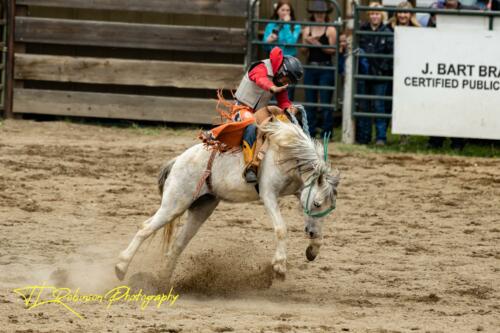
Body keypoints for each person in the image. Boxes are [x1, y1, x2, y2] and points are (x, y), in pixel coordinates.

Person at [201, 47, 303, 183]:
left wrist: (289, 109)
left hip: (258, 113)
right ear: (282, 70)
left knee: (283, 124)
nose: (286, 83)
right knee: (251, 125)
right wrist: (272, 87)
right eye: (287, 78)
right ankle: (250, 167)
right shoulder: (261, 67)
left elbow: (284, 101)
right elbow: (260, 79)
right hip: (240, 109)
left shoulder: (279, 80)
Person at [355, 2, 393, 146]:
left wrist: (381, 69)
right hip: (364, 75)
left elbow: (390, 55)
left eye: (377, 13)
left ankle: (380, 137)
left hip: (380, 75)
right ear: (369, 15)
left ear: (381, 15)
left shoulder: (388, 33)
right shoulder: (362, 31)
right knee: (364, 106)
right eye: (372, 13)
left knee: (379, 106)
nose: (374, 16)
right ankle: (364, 137)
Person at [301, 0, 337, 138]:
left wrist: (316, 43)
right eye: (317, 12)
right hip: (311, 66)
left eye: (322, 12)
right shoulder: (307, 29)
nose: (319, 15)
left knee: (325, 102)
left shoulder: (330, 29)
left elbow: (332, 50)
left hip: (326, 68)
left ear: (326, 13)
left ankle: (327, 132)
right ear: (313, 14)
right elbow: (303, 51)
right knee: (310, 102)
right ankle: (310, 131)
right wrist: (307, 42)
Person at [386, 1, 420, 145]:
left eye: (405, 12)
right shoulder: (388, 28)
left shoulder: (417, 29)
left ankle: (404, 136)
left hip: (409, 71)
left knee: (406, 102)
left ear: (411, 14)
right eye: (400, 12)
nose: (402, 15)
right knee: (388, 102)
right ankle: (383, 135)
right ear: (396, 14)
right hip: (390, 69)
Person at [263, 0, 301, 100]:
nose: (285, 12)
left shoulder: (295, 26)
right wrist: (268, 41)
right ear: (277, 11)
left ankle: (286, 115)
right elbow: (264, 46)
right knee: (271, 94)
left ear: (291, 12)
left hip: (289, 65)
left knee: (287, 95)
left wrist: (286, 25)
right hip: (274, 63)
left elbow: (291, 42)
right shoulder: (271, 25)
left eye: (288, 10)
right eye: (282, 10)